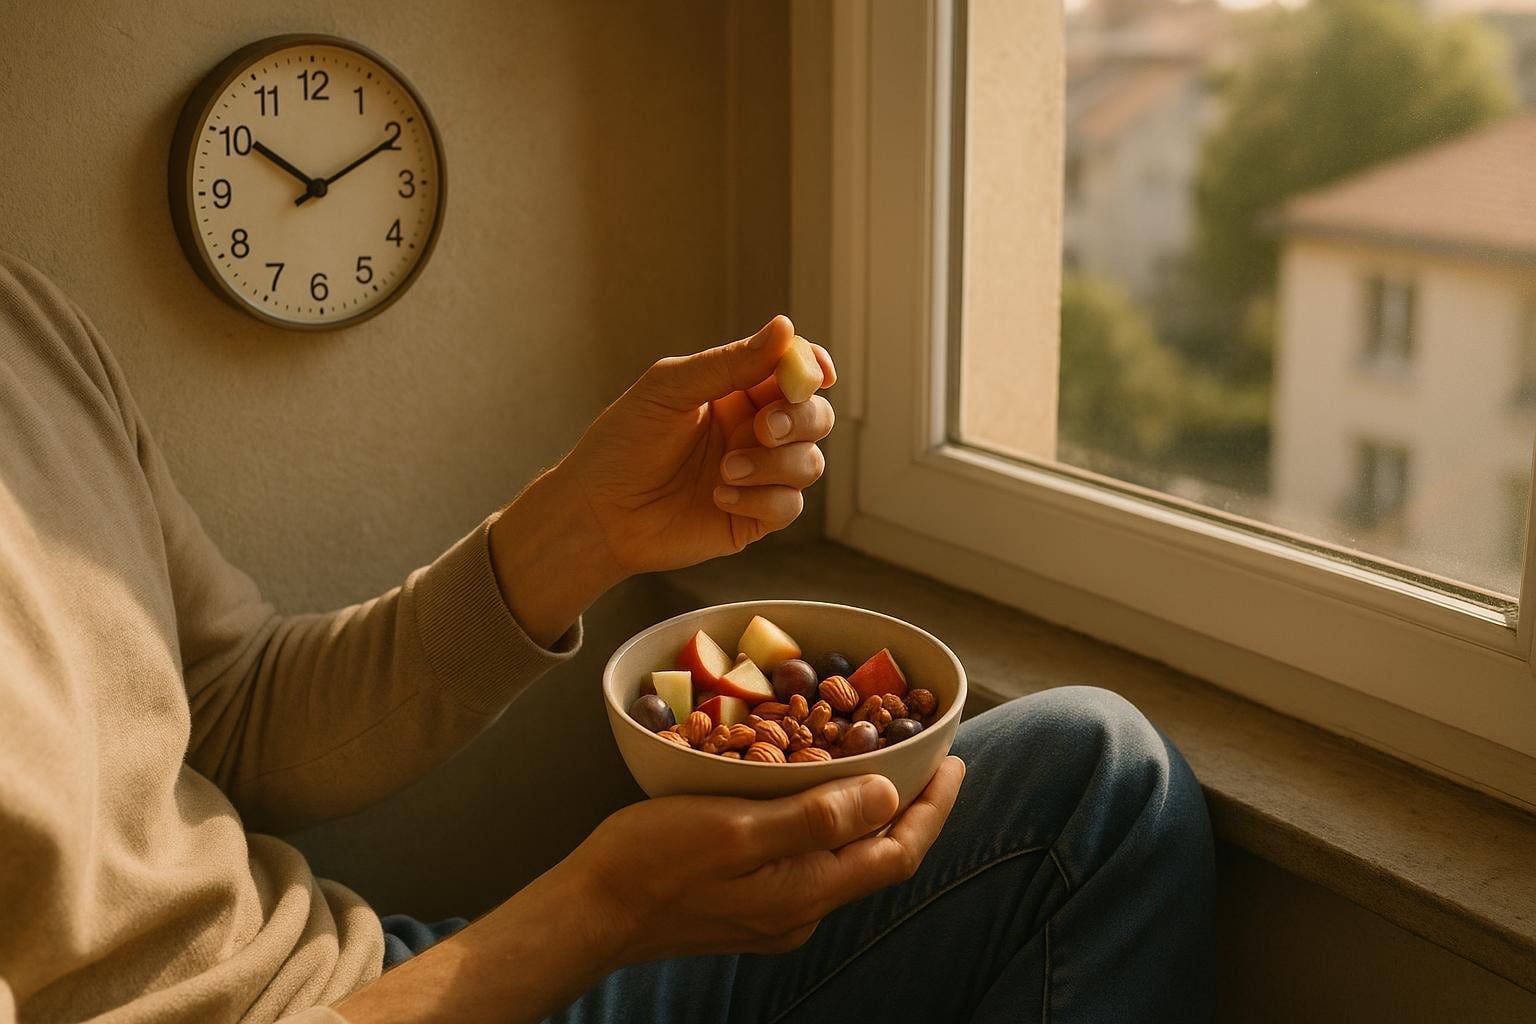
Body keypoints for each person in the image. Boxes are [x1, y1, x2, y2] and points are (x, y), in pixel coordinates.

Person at [0, 251, 1216, 1024]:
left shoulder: (25, 327)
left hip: (361, 969)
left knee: (1093, 790)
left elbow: (234, 705)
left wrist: (579, 527)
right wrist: (598, 912)